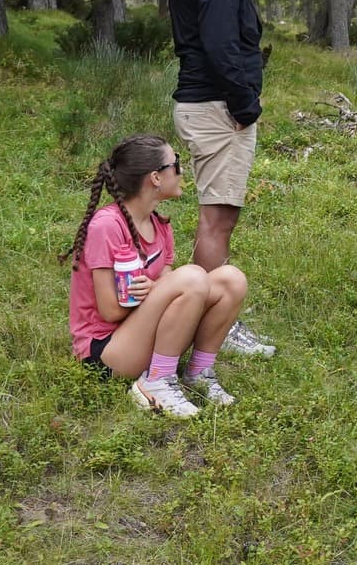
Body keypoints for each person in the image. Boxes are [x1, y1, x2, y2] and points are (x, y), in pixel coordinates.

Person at [162, 0, 275, 358]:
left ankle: (208, 316)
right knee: (217, 220)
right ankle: (215, 326)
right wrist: (244, 103)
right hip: (217, 109)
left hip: (207, 104)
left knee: (217, 216)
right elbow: (221, 44)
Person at [64, 134, 252, 419]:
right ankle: (156, 381)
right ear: (155, 177)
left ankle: (198, 373)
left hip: (141, 331)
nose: (181, 170)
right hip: (106, 352)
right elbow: (109, 310)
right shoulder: (106, 226)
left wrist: (156, 289)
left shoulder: (160, 225)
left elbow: (168, 287)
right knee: (192, 277)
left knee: (231, 280)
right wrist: (156, 292)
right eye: (175, 163)